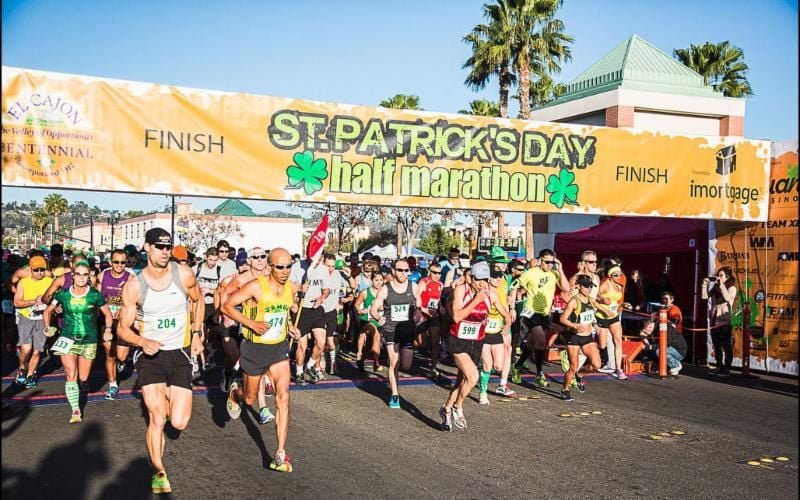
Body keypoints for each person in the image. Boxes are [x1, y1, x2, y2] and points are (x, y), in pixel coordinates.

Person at [117, 228, 205, 494]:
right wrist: (142, 342)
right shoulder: (135, 285)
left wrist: (198, 332)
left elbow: (198, 300)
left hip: (179, 353)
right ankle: (158, 470)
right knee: (157, 417)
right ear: (146, 248)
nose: (165, 252)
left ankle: (167, 401)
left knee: (178, 421)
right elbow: (122, 328)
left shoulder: (184, 274)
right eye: (159, 247)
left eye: (168, 247)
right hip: (150, 357)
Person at [222, 247, 301, 472]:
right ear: (269, 266)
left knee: (283, 397)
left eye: (288, 267)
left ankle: (280, 454)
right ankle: (235, 394)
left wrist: (291, 327)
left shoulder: (290, 288)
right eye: (280, 267)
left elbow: (284, 314)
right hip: (254, 349)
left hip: (278, 349)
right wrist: (250, 323)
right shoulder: (256, 286)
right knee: (249, 399)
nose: (285, 272)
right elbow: (226, 306)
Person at [44, 260, 113, 422]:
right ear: (72, 276)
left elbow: (108, 314)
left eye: (85, 274)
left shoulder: (95, 295)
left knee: (82, 377)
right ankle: (75, 410)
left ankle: (80, 387)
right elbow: (48, 310)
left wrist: (108, 329)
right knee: (70, 373)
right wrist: (47, 327)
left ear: (89, 276)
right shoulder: (63, 294)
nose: (81, 278)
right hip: (67, 338)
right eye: (78, 275)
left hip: (89, 340)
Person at [439, 261, 499, 431]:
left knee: (461, 380)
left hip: (476, 342)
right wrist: (476, 300)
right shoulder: (460, 290)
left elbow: (506, 314)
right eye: (479, 279)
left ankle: (447, 409)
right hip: (457, 340)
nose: (482, 283)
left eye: (485, 280)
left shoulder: (490, 293)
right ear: (471, 278)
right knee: (473, 377)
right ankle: (458, 407)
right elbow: (457, 317)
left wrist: (508, 316)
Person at [512, 249, 570, 387]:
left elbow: (566, 288)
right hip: (530, 312)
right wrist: (513, 306)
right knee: (541, 341)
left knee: (532, 343)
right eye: (547, 262)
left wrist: (560, 269)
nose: (549, 265)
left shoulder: (554, 274)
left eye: (552, 262)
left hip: (543, 314)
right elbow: (515, 286)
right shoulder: (530, 273)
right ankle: (539, 373)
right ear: (540, 261)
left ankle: (517, 366)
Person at [369, 258, 422, 408]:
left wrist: (418, 312)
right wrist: (379, 317)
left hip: (407, 330)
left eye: (406, 270)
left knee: (405, 365)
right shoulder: (386, 289)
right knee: (394, 362)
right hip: (391, 330)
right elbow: (373, 309)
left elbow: (419, 304)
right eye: (400, 270)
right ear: (393, 271)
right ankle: (394, 395)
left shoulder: (413, 287)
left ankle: (394, 371)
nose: (403, 273)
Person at [557, 275, 609, 401]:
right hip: (574, 337)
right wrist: (574, 325)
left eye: (590, 286)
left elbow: (598, 306)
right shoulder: (574, 301)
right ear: (579, 286)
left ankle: (580, 375)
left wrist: (608, 312)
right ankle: (565, 389)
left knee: (596, 364)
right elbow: (562, 319)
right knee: (573, 366)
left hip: (587, 338)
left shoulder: (590, 300)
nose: (588, 289)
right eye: (586, 286)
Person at [95, 248, 134, 399]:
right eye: (116, 262)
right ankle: (112, 385)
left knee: (122, 356)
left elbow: (135, 300)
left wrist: (125, 308)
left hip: (124, 319)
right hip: (107, 319)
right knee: (109, 352)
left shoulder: (130, 278)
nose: (119, 265)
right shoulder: (102, 276)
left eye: (123, 262)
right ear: (111, 262)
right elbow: (97, 298)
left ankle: (122, 362)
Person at [13, 255, 53, 388]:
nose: (40, 272)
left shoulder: (49, 281)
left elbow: (55, 297)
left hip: (42, 318)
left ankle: (30, 375)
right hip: (26, 318)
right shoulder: (23, 282)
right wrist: (33, 301)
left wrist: (54, 305)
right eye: (37, 270)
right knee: (26, 349)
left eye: (42, 269)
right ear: (31, 269)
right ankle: (22, 369)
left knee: (37, 350)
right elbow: (17, 302)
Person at [702, 267, 737, 376]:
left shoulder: (731, 287)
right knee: (716, 344)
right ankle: (719, 366)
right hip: (714, 319)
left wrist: (721, 285)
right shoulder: (715, 287)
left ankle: (727, 368)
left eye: (721, 275)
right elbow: (705, 297)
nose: (719, 277)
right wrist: (704, 285)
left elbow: (727, 298)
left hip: (724, 319)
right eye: (718, 275)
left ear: (727, 277)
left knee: (726, 345)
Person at [596, 264, 627, 379]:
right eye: (616, 275)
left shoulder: (619, 286)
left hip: (614, 316)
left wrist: (623, 304)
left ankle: (618, 369)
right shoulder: (605, 284)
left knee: (618, 340)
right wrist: (603, 300)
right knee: (602, 344)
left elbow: (616, 301)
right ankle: (586, 350)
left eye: (620, 275)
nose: (619, 277)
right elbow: (594, 297)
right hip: (602, 316)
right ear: (610, 276)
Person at [354, 271, 385, 373]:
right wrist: (360, 310)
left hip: (379, 320)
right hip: (366, 320)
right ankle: (376, 363)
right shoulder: (365, 292)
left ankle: (361, 361)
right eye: (376, 280)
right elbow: (356, 305)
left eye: (381, 280)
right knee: (376, 334)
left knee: (369, 345)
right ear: (372, 280)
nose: (379, 282)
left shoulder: (385, 292)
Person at [417, 261, 443, 377]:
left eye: (439, 273)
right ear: (429, 272)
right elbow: (416, 298)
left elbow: (439, 299)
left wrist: (441, 307)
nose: (437, 275)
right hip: (423, 313)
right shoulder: (423, 282)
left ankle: (433, 366)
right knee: (421, 343)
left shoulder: (440, 285)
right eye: (435, 273)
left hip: (434, 315)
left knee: (436, 340)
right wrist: (424, 310)